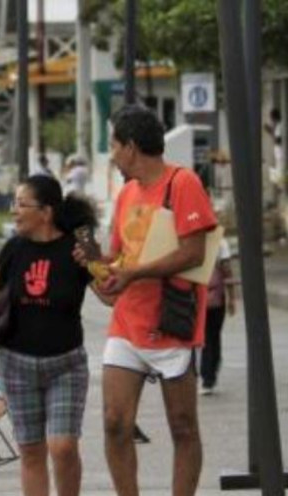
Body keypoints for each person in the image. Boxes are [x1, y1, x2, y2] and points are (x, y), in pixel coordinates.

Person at [84, 104, 218, 496]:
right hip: (127, 323)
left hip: (171, 323)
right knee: (114, 421)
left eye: (113, 145)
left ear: (130, 147)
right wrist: (95, 263)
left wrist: (134, 273)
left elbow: (193, 252)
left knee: (182, 425)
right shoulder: (126, 193)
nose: (112, 154)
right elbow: (120, 259)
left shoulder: (183, 183)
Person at [0, 175, 99, 496]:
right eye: (14, 204)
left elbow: (110, 295)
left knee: (63, 447)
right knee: (31, 451)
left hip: (66, 365)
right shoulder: (13, 248)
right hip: (16, 365)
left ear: (46, 212)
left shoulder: (79, 246)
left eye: (21, 204)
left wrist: (96, 259)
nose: (14, 211)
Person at [200, 238, 235, 395]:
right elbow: (227, 271)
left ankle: (208, 377)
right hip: (217, 298)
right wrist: (232, 298)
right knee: (213, 337)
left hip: (200, 298)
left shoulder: (195, 239)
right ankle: (210, 374)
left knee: (207, 338)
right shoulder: (220, 242)